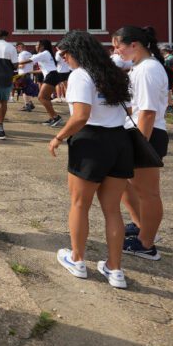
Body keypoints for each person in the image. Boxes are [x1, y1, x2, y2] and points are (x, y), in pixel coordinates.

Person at [49, 31, 133, 290]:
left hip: (91, 142)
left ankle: (77, 259)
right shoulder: (113, 73)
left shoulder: (80, 75)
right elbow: (128, 109)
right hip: (119, 140)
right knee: (112, 210)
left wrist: (58, 137)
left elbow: (81, 115)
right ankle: (115, 268)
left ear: (76, 52)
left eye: (65, 55)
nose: (65, 60)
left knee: (79, 204)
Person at [113, 25, 172, 261]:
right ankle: (141, 226)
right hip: (137, 132)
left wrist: (141, 145)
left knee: (148, 193)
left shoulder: (148, 69)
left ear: (134, 45)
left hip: (147, 134)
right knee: (125, 183)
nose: (116, 51)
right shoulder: (141, 67)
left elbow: (147, 112)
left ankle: (147, 243)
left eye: (119, 46)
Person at [32, 40, 62, 126]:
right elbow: (42, 70)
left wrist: (15, 64)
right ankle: (52, 117)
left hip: (51, 76)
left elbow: (29, 60)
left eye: (37, 45)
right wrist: (29, 72)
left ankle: (56, 117)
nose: (36, 47)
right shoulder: (46, 54)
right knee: (46, 98)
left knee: (41, 98)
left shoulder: (44, 53)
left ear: (42, 46)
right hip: (52, 75)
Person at [14, 42, 36, 110]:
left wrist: (15, 66)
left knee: (24, 90)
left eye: (17, 47)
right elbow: (33, 64)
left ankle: (27, 105)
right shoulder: (29, 54)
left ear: (20, 47)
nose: (16, 49)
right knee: (27, 90)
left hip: (23, 74)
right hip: (29, 73)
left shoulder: (21, 54)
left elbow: (22, 65)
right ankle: (30, 103)